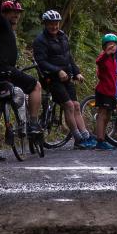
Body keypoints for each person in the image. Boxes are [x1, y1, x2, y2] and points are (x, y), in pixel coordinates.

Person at [0, 0, 43, 162]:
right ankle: (32, 122)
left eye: (17, 12)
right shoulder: (2, 24)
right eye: (11, 12)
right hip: (3, 70)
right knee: (36, 86)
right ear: (5, 13)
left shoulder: (1, 33)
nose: (15, 15)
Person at [32, 9, 95, 149]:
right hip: (51, 79)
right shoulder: (40, 41)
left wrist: (77, 72)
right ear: (45, 24)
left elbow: (68, 57)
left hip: (67, 77)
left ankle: (85, 135)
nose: (54, 26)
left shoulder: (62, 37)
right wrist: (57, 71)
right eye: (51, 24)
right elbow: (41, 62)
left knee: (77, 106)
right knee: (69, 106)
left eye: (56, 23)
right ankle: (78, 138)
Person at [93, 34, 117, 150]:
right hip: (103, 91)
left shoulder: (113, 60)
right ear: (104, 47)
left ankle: (103, 138)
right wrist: (106, 53)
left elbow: (111, 74)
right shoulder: (104, 57)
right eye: (109, 45)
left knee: (108, 116)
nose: (112, 47)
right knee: (102, 114)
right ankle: (100, 140)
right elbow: (98, 61)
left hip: (111, 92)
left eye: (114, 45)